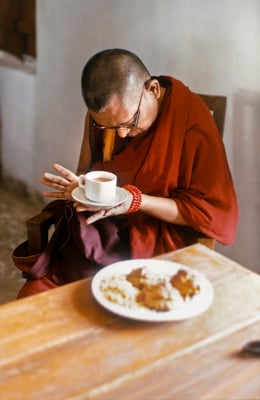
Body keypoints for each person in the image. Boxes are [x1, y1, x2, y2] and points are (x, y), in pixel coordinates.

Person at [17, 48, 238, 298]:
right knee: (33, 300)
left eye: (129, 123)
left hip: (153, 238)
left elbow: (211, 213)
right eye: (109, 126)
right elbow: (86, 170)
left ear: (152, 89)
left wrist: (135, 201)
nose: (120, 134)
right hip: (97, 234)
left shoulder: (191, 123)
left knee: (106, 305)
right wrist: (81, 188)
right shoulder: (107, 116)